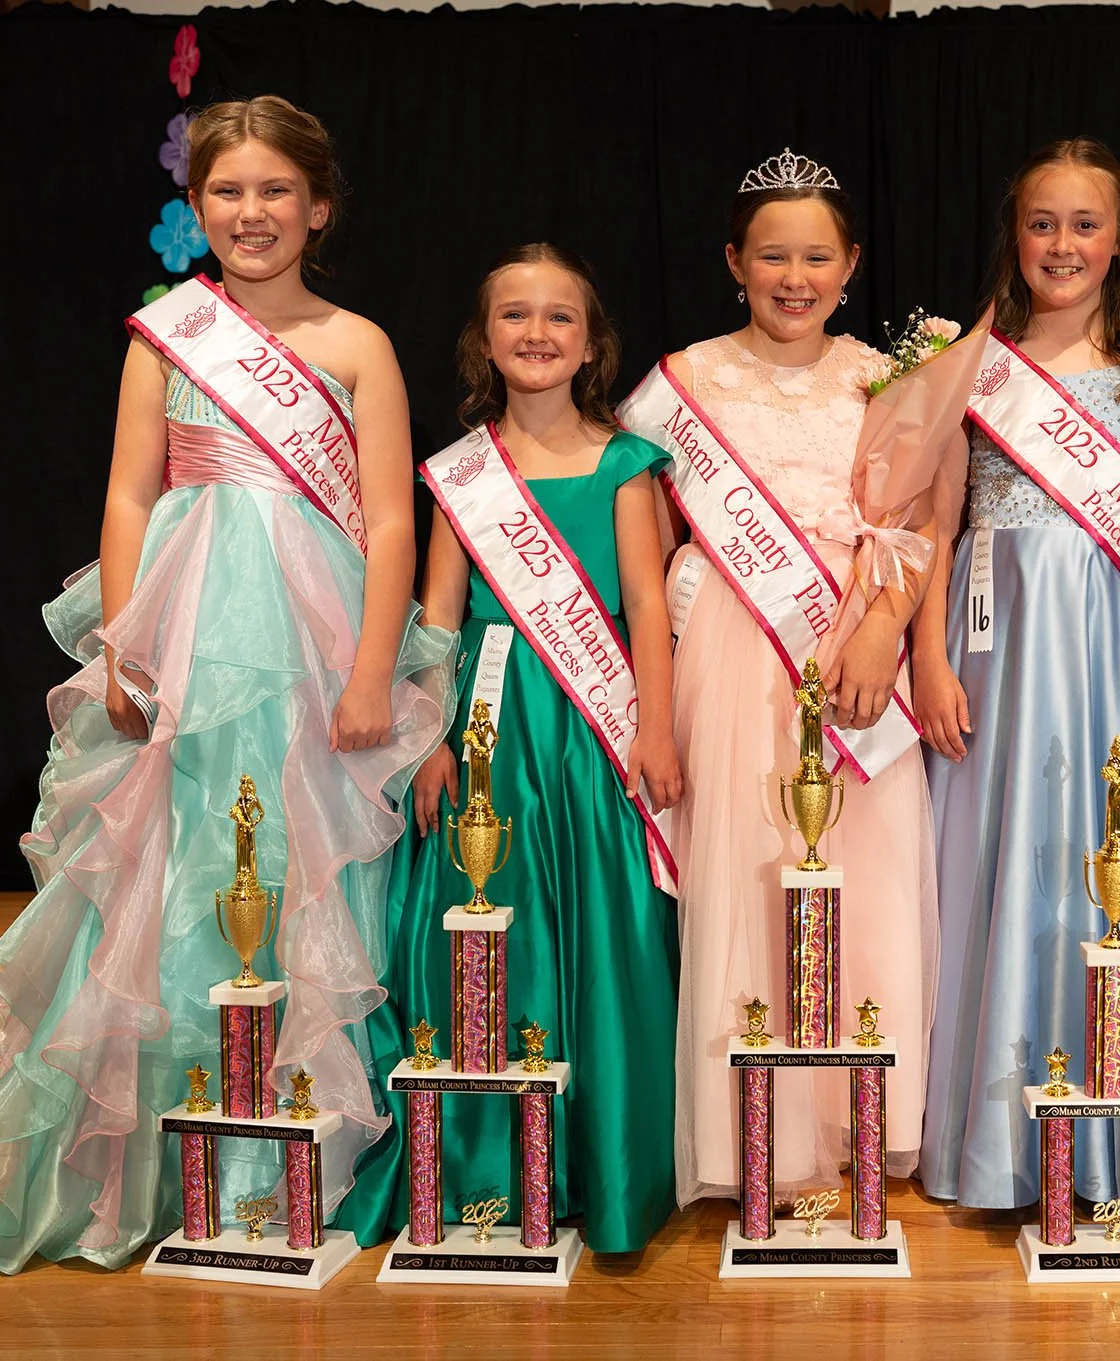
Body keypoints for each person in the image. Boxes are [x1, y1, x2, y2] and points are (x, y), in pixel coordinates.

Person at [0, 95, 451, 1272]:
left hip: (312, 639)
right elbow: (128, 493)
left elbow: (386, 518)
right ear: (195, 205)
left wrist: (374, 668)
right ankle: (160, 1166)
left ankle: (287, 1158)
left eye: (277, 191)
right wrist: (123, 642)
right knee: (171, 873)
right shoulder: (166, 334)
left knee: (305, 867)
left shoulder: (357, 343)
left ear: (318, 207)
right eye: (228, 191)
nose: (252, 211)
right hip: (185, 627)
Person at [339, 244, 682, 1253]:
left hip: (586, 727)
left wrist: (653, 726)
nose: (536, 333)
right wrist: (433, 737)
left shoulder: (626, 463)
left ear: (590, 342)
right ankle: (482, 1163)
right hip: (488, 728)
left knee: (596, 930)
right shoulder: (459, 474)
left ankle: (595, 1161)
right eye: (514, 316)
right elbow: (437, 619)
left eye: (558, 318)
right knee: (483, 932)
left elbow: (651, 607)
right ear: (483, 339)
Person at [621, 149, 940, 1206]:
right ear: (732, 261)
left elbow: (912, 523)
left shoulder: (881, 378)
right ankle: (761, 1131)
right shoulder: (682, 382)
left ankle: (858, 1116)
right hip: (728, 638)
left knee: (869, 872)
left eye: (815, 255)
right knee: (751, 870)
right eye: (770, 255)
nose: (792, 276)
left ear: (850, 263)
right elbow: (646, 540)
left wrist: (880, 632)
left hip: (848, 648)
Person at [912, 138, 1120, 1209]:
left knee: (1098, 861)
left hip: (1110, 648)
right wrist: (923, 658)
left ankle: (1094, 1141)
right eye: (1041, 222)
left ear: (1115, 238)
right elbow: (935, 529)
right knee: (989, 862)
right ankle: (988, 1139)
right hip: (990, 653)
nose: (1060, 244)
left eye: (1082, 224)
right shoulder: (967, 362)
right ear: (1013, 234)